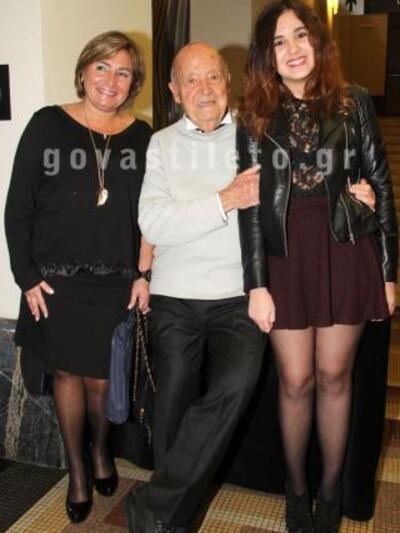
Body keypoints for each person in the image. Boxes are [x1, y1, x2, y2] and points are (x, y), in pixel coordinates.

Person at [236, 1, 398, 532]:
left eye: (300, 36)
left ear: (318, 41)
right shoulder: (254, 114)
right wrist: (256, 284)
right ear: (267, 56)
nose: (293, 49)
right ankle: (296, 490)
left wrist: (389, 272)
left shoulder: (353, 102)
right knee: (295, 380)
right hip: (284, 256)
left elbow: (381, 186)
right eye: (279, 42)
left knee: (334, 376)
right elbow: (250, 206)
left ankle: (330, 491)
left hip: (345, 247)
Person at [5, 31, 153, 523]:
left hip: (116, 283)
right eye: (102, 67)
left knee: (103, 381)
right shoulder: (47, 125)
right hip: (58, 284)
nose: (111, 80)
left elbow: (151, 215)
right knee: (67, 375)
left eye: (123, 72)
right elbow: (18, 207)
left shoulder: (142, 136)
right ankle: (77, 471)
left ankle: (101, 450)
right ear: (84, 70)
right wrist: (26, 277)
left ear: (134, 82)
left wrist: (145, 273)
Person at [124, 42, 273, 533]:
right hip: (175, 296)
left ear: (228, 81)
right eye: (191, 80)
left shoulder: (256, 136)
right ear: (174, 91)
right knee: (171, 405)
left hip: (239, 294)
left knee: (235, 386)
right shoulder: (162, 144)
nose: (204, 89)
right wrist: (225, 199)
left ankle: (154, 506)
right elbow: (153, 222)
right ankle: (172, 524)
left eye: (213, 77)